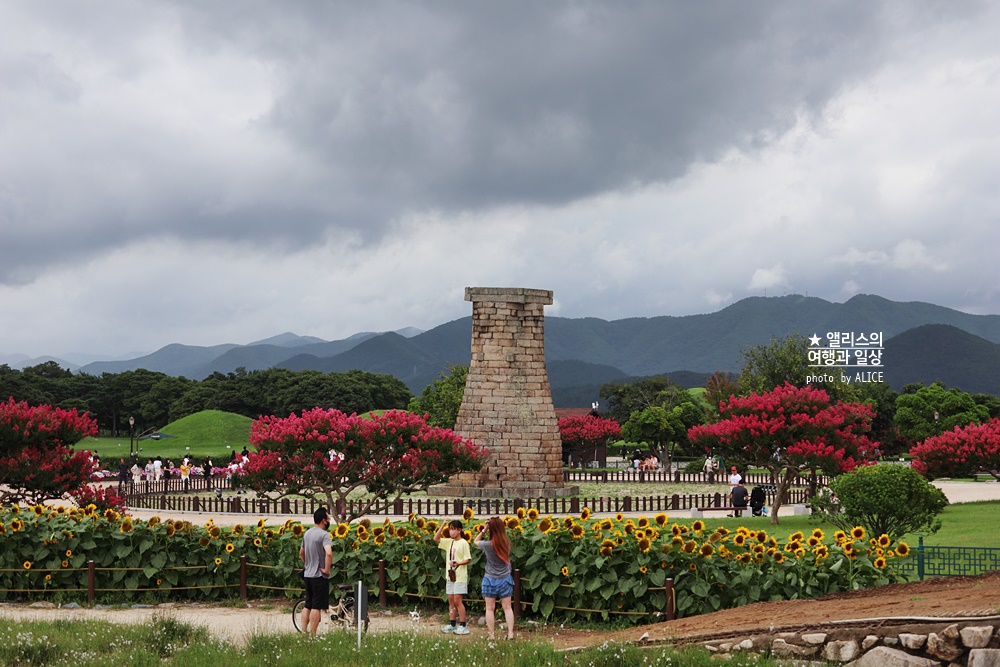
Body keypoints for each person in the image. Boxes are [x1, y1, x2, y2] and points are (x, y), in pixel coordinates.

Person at [473, 517, 515, 640]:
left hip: (490, 579)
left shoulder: (487, 545)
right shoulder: (507, 544)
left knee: (490, 609)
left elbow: (475, 541)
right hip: (505, 579)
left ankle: (491, 635)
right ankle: (510, 633)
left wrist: (484, 529)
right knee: (507, 608)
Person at [299, 507, 333, 636]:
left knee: (308, 604)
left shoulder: (307, 533)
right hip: (319, 575)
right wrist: (327, 570)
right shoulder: (324, 535)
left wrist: (307, 564)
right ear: (323, 520)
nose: (329, 520)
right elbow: (328, 554)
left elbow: (301, 552)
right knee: (316, 606)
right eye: (328, 518)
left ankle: (303, 631)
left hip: (308, 574)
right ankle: (313, 635)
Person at [434, 519, 471, 635]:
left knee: (458, 600)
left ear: (459, 530)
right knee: (450, 600)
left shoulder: (464, 543)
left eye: (453, 529)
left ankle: (463, 625)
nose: (451, 532)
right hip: (450, 576)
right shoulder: (449, 542)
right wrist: (443, 524)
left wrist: (458, 563)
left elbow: (468, 559)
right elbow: (436, 538)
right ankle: (452, 623)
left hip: (459, 576)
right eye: (450, 529)